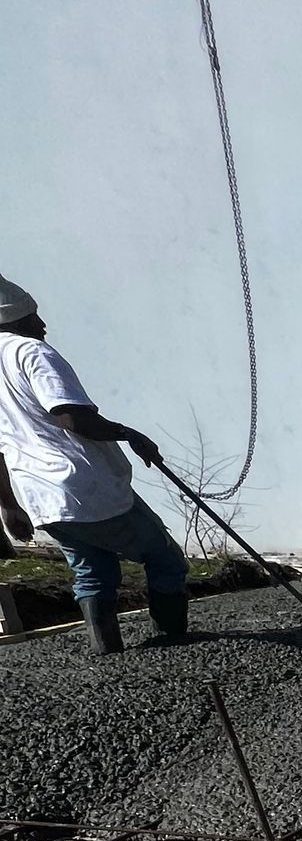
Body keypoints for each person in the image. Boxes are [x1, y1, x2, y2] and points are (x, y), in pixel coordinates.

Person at [0, 274, 190, 655]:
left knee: (91, 571)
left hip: (44, 500)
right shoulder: (31, 353)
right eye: (36, 317)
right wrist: (130, 433)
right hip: (87, 487)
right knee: (164, 557)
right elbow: (72, 418)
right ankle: (177, 646)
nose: (43, 325)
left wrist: (7, 504)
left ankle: (106, 652)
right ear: (18, 320)